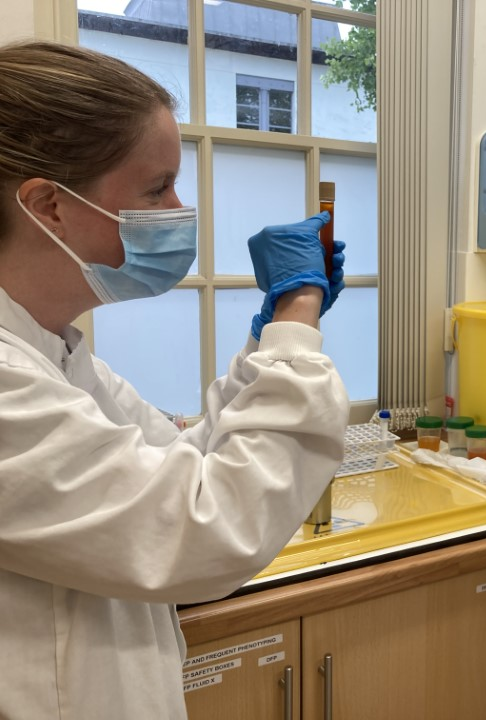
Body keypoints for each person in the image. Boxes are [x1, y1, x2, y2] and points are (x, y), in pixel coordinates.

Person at [0, 41, 350, 719]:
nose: (178, 207)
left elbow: (182, 470)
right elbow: (205, 532)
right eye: (157, 187)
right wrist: (296, 318)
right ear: (48, 205)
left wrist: (267, 343)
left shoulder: (59, 358)